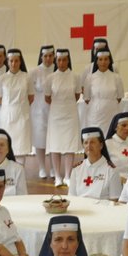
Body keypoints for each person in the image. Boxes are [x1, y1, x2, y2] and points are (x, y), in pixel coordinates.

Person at [45, 48, 82, 186]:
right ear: (56, 61)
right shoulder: (50, 78)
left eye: (64, 60)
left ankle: (67, 176)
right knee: (55, 145)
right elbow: (47, 97)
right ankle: (57, 176)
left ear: (68, 60)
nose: (61, 63)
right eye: (59, 60)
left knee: (69, 145)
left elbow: (77, 95)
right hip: (55, 114)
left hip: (70, 113)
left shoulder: (75, 77)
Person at [0, 49, 35, 160]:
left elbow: (31, 97)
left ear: (20, 62)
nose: (14, 63)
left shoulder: (27, 77)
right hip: (7, 116)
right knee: (8, 145)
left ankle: (21, 173)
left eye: (16, 61)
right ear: (7, 62)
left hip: (22, 115)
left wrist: (20, 106)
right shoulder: (2, 79)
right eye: (11, 61)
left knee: (21, 146)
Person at [69, 127, 122, 200]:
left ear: (101, 145)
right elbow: (72, 198)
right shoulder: (76, 170)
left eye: (92, 142)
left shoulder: (111, 170)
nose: (89, 146)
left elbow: (114, 201)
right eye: (86, 143)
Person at [81, 48, 126, 134]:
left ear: (109, 61)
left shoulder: (116, 77)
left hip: (112, 112)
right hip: (95, 114)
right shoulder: (90, 78)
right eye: (100, 59)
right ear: (96, 61)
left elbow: (119, 97)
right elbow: (86, 98)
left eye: (106, 59)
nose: (103, 62)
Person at [30, 45, 58, 180]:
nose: (48, 58)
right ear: (41, 57)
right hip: (38, 111)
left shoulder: (58, 70)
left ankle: (53, 167)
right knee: (40, 140)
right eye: (45, 56)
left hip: (55, 111)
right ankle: (42, 167)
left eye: (50, 56)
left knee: (54, 140)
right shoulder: (34, 72)